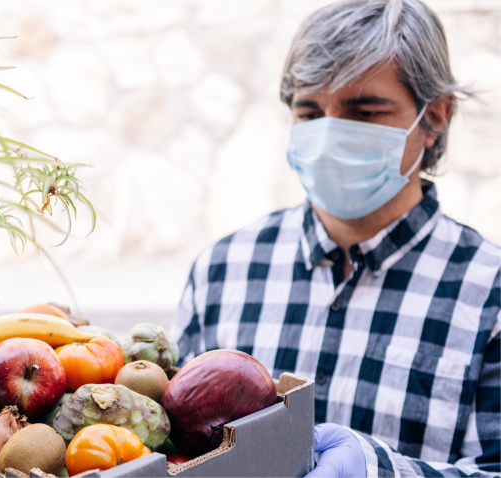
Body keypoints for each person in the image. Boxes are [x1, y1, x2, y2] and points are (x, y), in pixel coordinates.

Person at [170, 0, 501, 476]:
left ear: (436, 117)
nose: (328, 137)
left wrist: (378, 471)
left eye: (363, 112)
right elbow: (175, 442)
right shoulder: (223, 271)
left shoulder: (489, 295)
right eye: (309, 113)